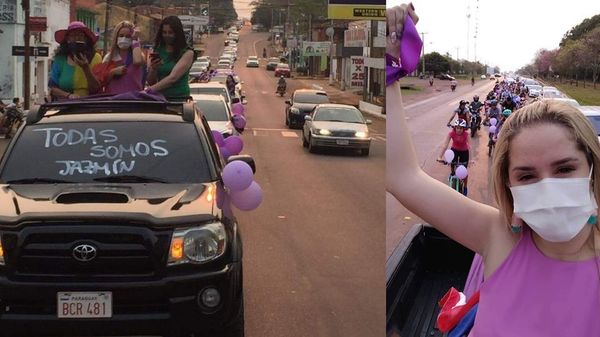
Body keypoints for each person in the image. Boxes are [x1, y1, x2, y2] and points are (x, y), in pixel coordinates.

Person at [388, 4, 600, 335]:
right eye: (527, 176)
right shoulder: (496, 235)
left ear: (591, 168)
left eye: (564, 168)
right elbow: (402, 176)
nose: (548, 187)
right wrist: (384, 61)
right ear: (509, 185)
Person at [49, 21, 102, 100]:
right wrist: (68, 95)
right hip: (64, 106)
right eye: (73, 35)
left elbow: (96, 88)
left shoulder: (96, 58)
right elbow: (53, 87)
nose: (76, 38)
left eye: (80, 35)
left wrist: (86, 68)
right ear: (67, 39)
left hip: (90, 105)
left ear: (86, 39)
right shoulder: (60, 59)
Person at [146, 16, 195, 100]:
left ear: (177, 33)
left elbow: (173, 78)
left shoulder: (188, 53)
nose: (167, 35)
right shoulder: (157, 50)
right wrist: (153, 69)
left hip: (179, 99)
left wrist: (148, 91)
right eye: (164, 32)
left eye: (170, 32)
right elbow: (151, 82)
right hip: (160, 99)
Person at [96, 21, 145, 94]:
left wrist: (135, 39)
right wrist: (112, 72)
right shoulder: (109, 57)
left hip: (133, 100)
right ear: (116, 37)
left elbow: (137, 61)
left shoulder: (137, 55)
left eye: (128, 36)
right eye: (121, 36)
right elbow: (101, 81)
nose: (124, 38)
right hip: (113, 101)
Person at [437, 118, 471, 195]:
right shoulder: (451, 134)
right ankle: (452, 172)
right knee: (452, 164)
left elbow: (469, 146)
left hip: (464, 152)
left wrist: (471, 160)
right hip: (454, 151)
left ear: (464, 129)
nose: (459, 130)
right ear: (455, 127)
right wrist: (440, 156)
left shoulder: (466, 134)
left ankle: (465, 187)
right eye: (457, 128)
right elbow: (445, 145)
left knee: (464, 172)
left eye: (461, 128)